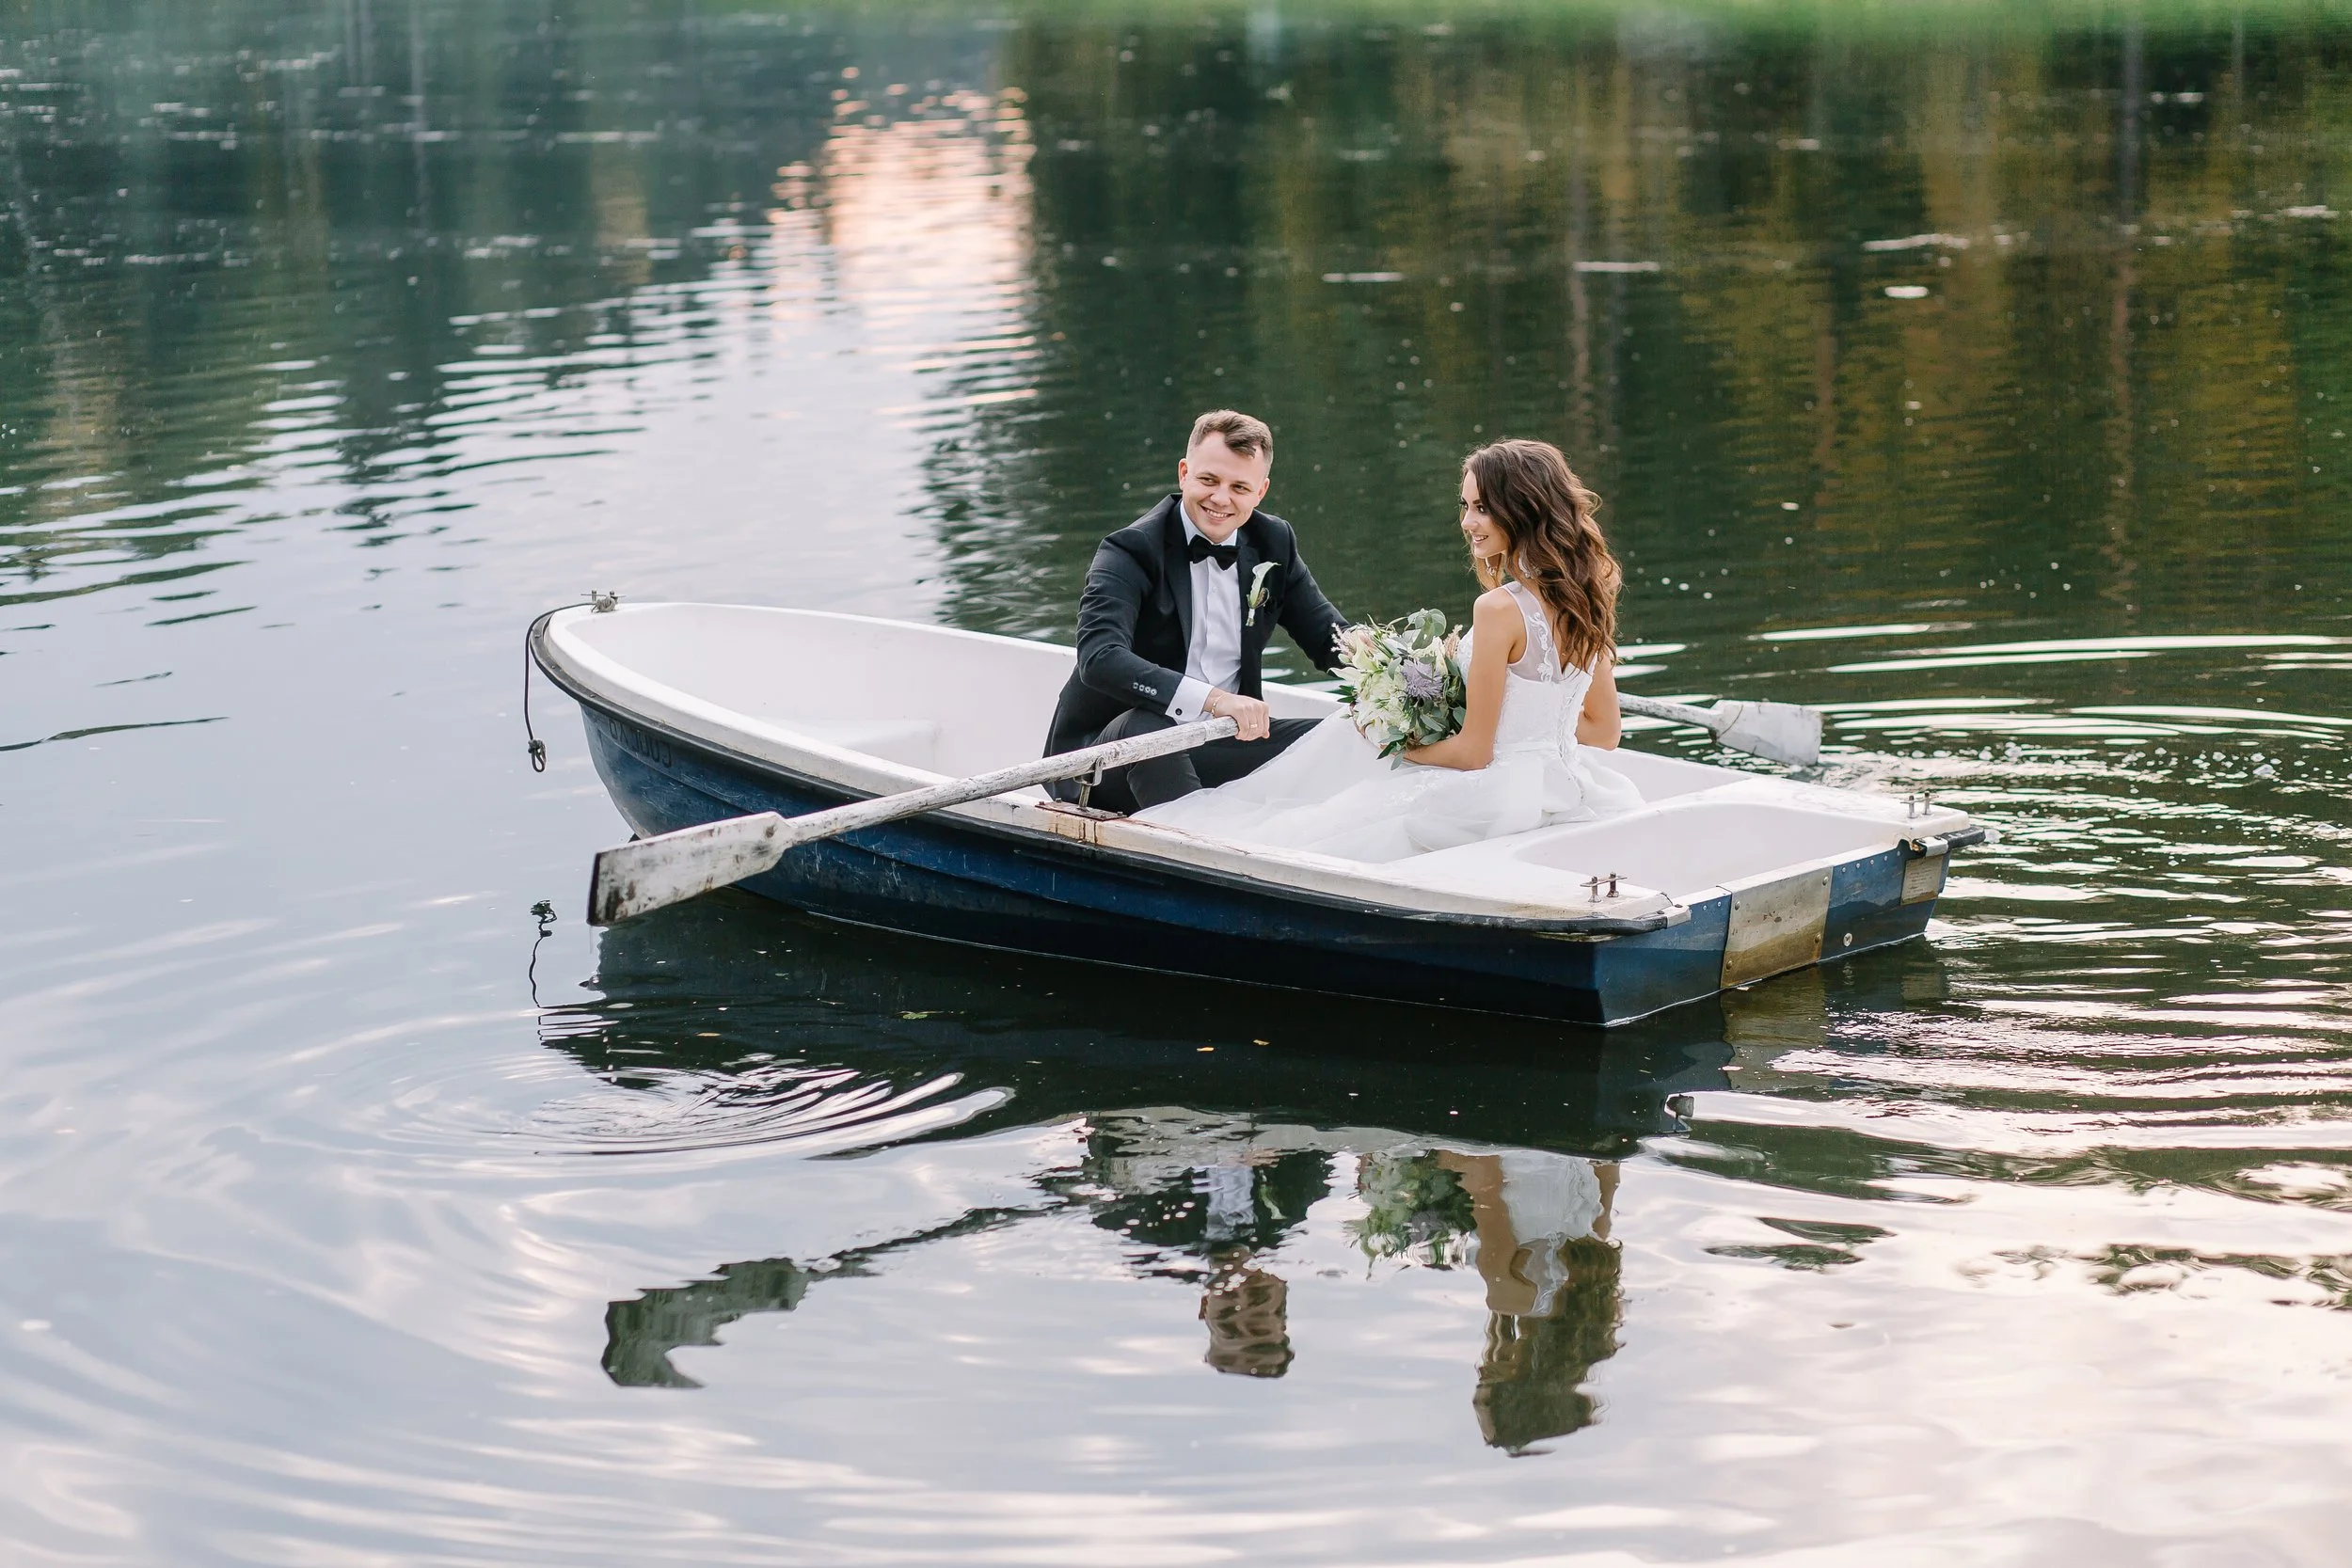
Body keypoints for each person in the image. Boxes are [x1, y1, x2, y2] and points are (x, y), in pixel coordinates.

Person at [1136, 437, 1642, 862]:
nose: (1468, 522)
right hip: (1571, 784)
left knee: (1341, 758)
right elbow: (1603, 731)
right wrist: (1522, 720)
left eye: (1483, 508)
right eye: (1465, 506)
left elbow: (1472, 753)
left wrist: (1393, 743)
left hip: (1493, 794)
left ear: (1524, 509)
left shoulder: (1498, 611)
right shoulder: (1590, 591)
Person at [1041, 409, 1352, 812]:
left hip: (1219, 741)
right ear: (1184, 472)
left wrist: (1403, 676)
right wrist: (1214, 700)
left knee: (1345, 735)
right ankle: (1205, 849)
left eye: (1240, 487)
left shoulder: (1274, 541)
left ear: (1261, 492)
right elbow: (1100, 659)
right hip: (1104, 763)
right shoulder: (1129, 550)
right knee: (1147, 730)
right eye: (1209, 480)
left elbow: (1330, 638)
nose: (1221, 498)